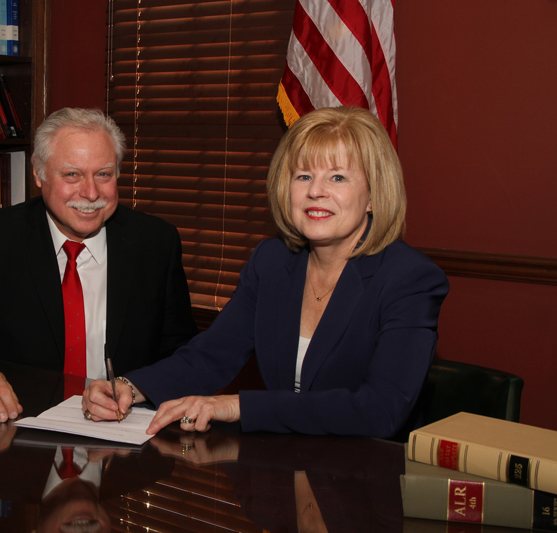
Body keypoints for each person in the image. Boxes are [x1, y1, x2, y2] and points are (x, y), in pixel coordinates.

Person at [82, 106, 449, 439]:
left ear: (373, 195)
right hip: (279, 469)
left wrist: (239, 406)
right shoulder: (272, 261)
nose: (316, 191)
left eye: (338, 177)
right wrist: (130, 386)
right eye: (303, 176)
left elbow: (380, 410)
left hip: (364, 475)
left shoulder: (410, 279)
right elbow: (211, 356)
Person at [0, 108, 198, 424]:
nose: (91, 193)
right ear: (39, 174)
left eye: (104, 174)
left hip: (123, 430)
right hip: (18, 431)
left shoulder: (155, 242)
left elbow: (182, 352)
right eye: (72, 175)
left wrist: (137, 387)